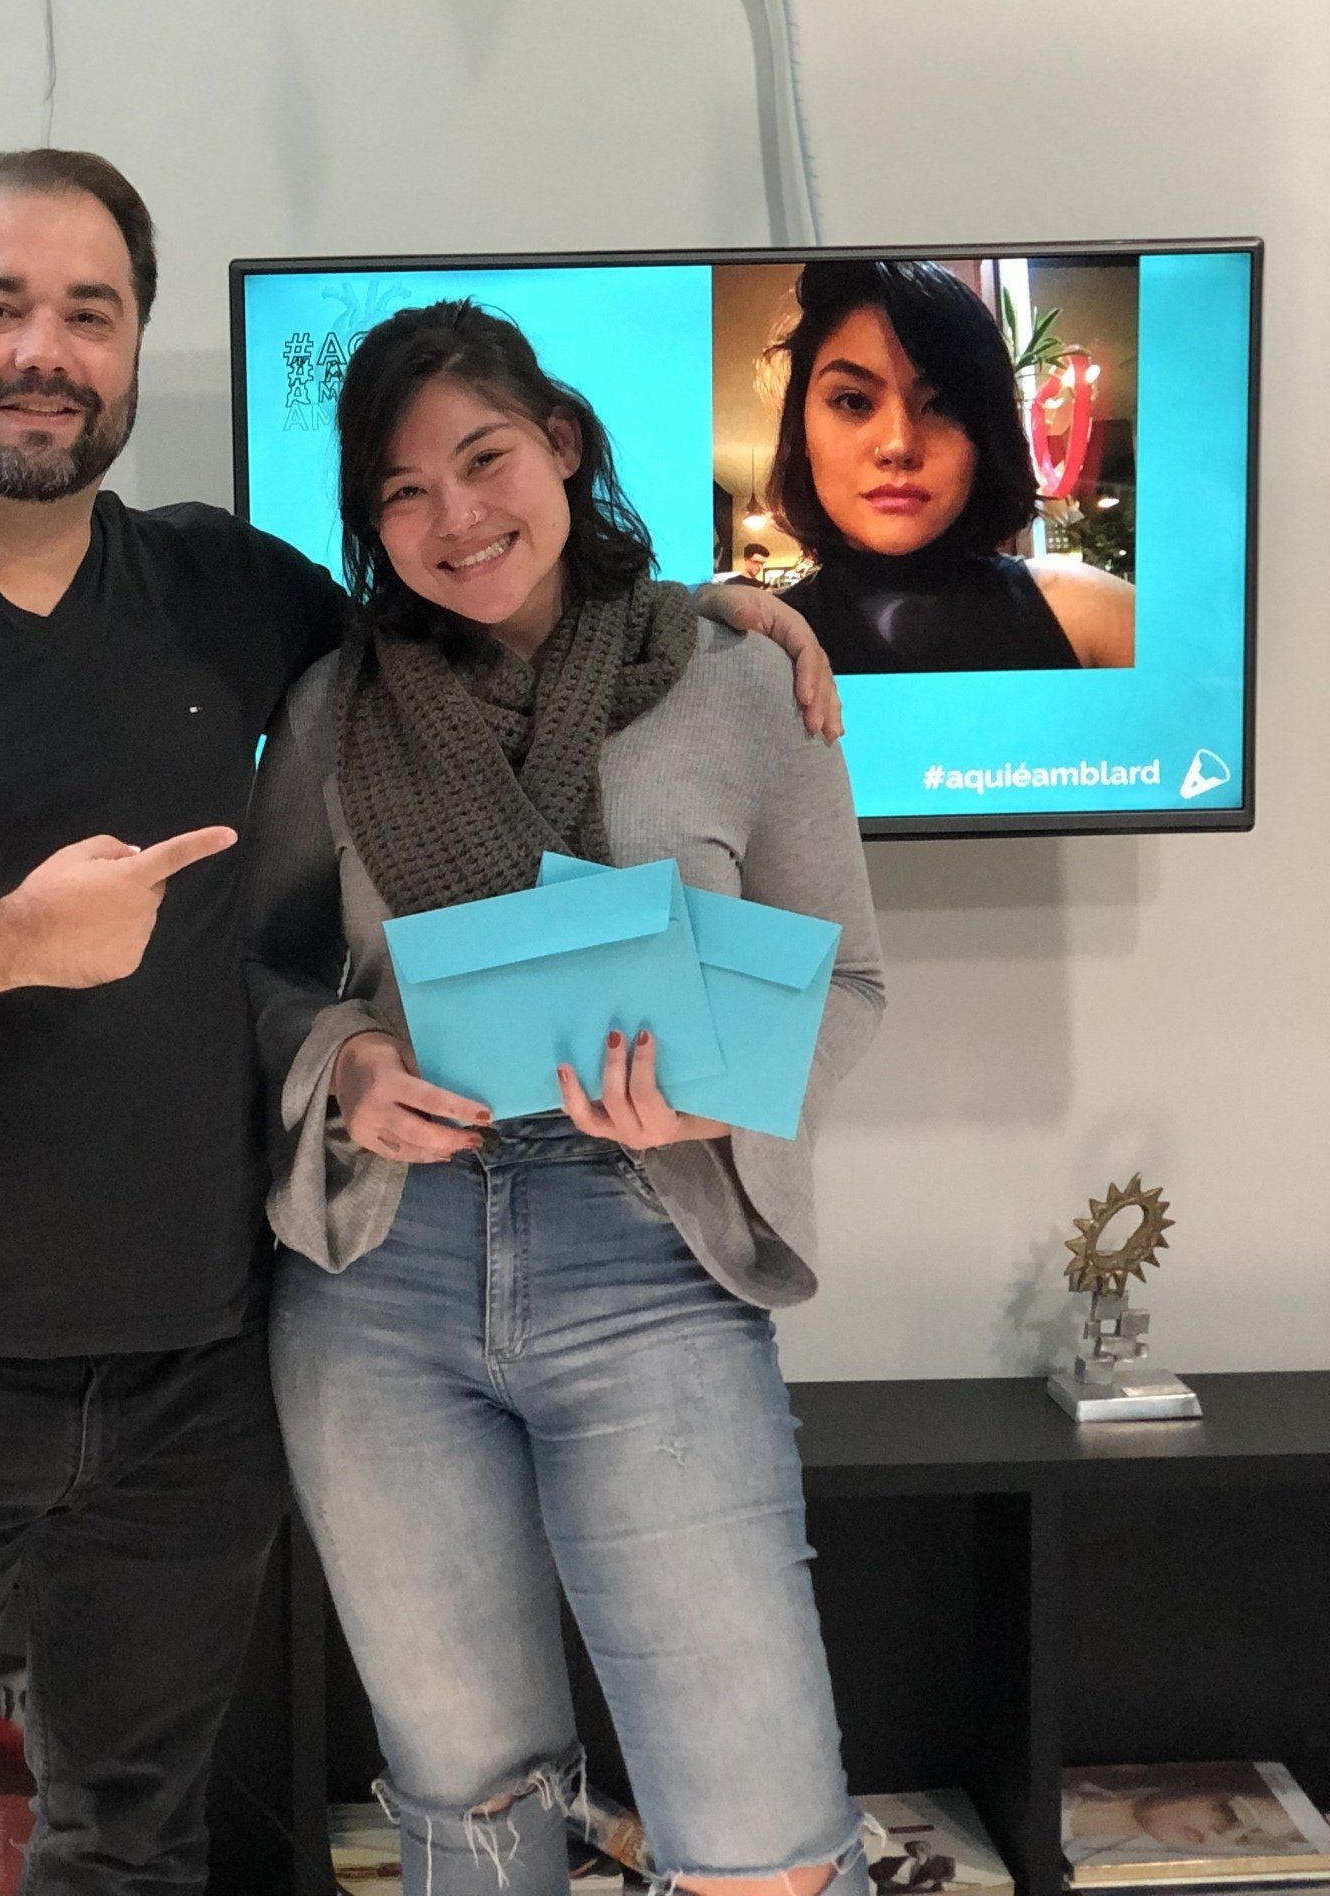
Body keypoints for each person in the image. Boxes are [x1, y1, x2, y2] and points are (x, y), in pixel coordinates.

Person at [0, 151, 836, 1896]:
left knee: (132, 1842)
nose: (43, 348)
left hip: (208, 1357)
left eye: (89, 311)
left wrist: (707, 611)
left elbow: (472, 616)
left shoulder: (227, 590)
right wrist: (12, 943)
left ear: (131, 350)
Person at [245, 300, 885, 1896]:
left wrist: (710, 1104)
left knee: (760, 1839)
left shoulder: (738, 675)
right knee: (471, 1816)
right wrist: (346, 1064)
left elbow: (848, 984)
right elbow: (244, 985)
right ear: (369, 522)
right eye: (404, 491)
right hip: (381, 1280)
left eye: (485, 458)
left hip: (651, 1257)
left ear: (567, 447)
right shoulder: (336, 710)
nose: (456, 517)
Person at [764, 259, 1135, 674]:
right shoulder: (757, 647)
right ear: (802, 428)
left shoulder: (1091, 615)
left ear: (984, 434)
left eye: (942, 405)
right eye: (853, 401)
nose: (898, 445)